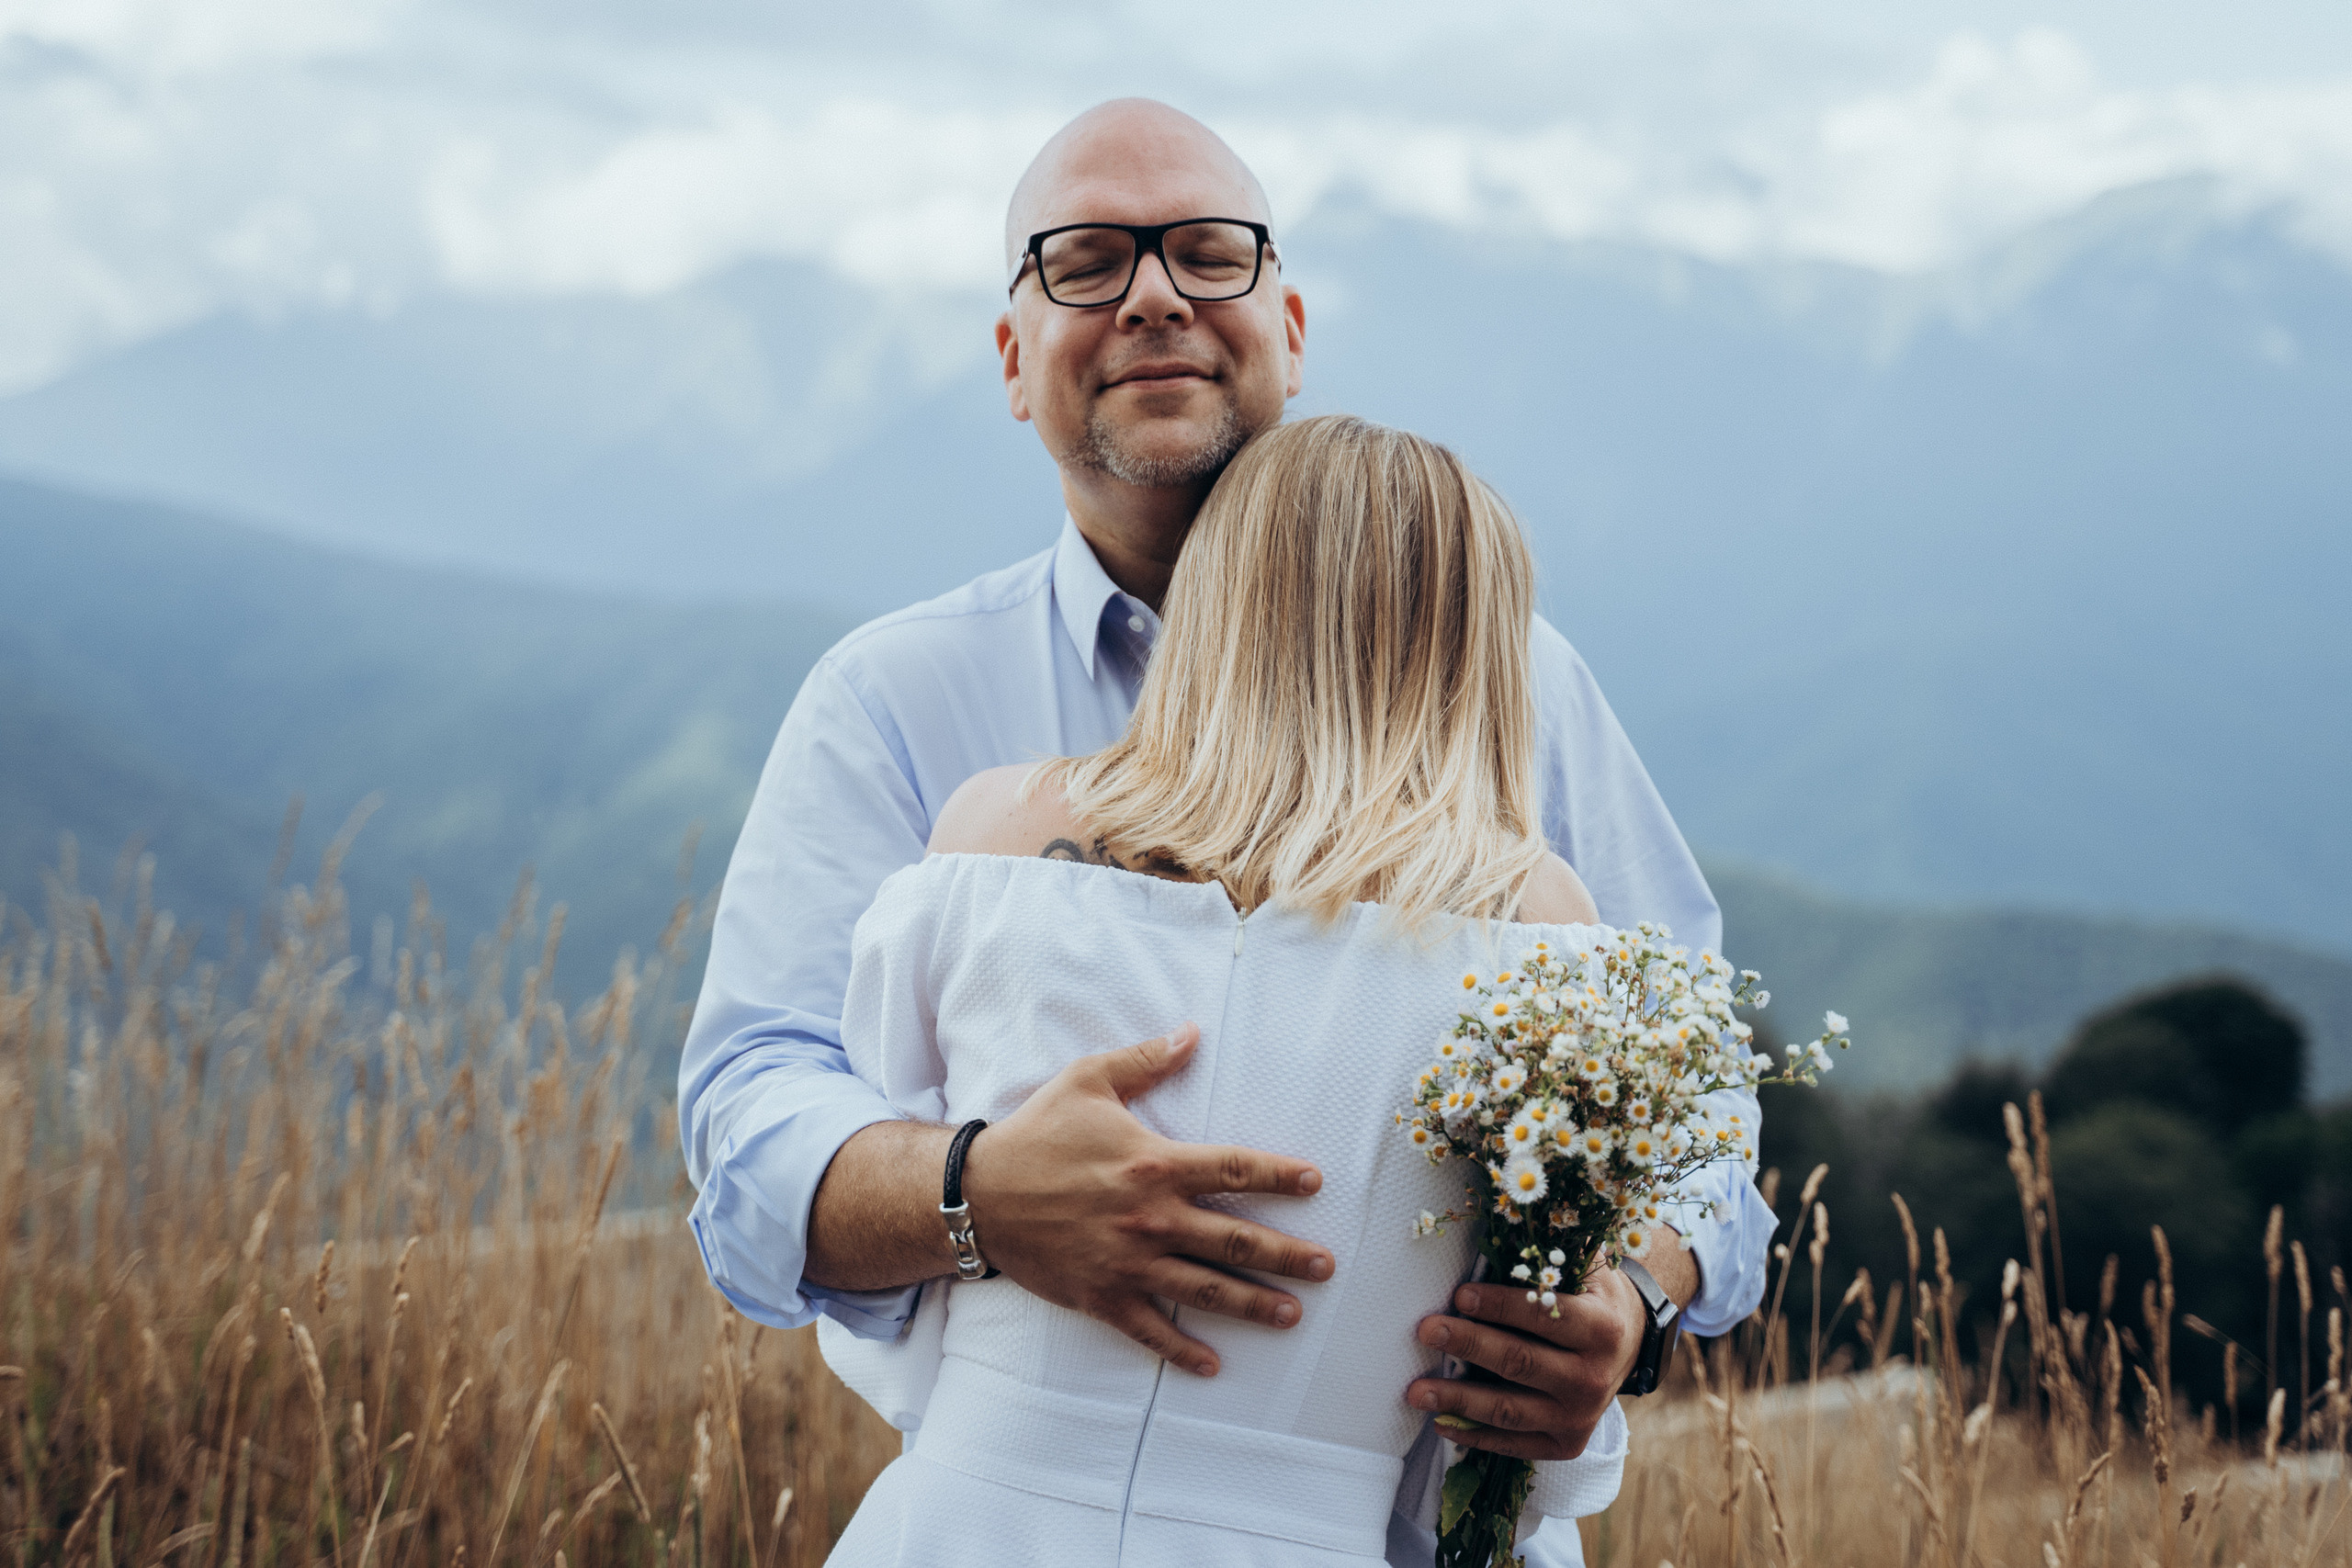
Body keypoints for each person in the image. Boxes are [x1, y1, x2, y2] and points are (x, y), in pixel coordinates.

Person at [679, 98, 1775, 1567]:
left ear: (1290, 327)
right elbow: (749, 1120)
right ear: (1014, 359)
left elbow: (1696, 1096)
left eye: (1210, 253)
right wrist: (976, 1191)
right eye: (1084, 262)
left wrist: (1626, 1301)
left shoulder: (1517, 682)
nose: (1153, 296)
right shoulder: (897, 699)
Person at [823, 413, 1659, 1564]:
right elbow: (1506, 1411)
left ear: (1215, 596)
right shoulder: (1533, 931)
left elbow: (878, 1233)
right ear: (1477, 639)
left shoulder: (990, 840)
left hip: (965, 1517)